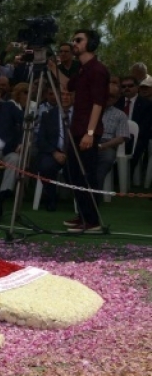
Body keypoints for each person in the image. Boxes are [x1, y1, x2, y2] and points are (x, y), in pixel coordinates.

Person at [64, 29, 109, 232]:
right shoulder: (81, 69)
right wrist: (51, 66)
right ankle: (83, 214)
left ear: (90, 44)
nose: (74, 43)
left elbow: (98, 104)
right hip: (77, 128)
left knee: (86, 175)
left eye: (79, 40)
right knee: (74, 173)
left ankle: (92, 220)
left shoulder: (97, 70)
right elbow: (68, 86)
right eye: (74, 40)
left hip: (87, 131)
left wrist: (90, 133)